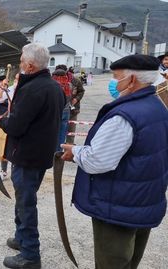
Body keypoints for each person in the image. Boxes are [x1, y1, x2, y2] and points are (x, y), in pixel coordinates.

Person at [61, 54, 168, 269]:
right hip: (143, 199)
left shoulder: (124, 115)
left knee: (113, 262)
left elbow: (98, 160)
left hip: (118, 204)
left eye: (116, 76)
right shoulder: (158, 107)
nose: (113, 81)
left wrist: (76, 152)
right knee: (130, 260)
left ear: (132, 80)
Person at [0, 43, 65, 269]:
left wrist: (0, 121)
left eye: (22, 60)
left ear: (30, 66)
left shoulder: (32, 89)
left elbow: (17, 125)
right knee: (24, 199)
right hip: (39, 155)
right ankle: (22, 238)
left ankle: (30, 254)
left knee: (26, 204)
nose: (20, 63)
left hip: (27, 156)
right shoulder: (53, 87)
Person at [52, 67, 72, 151]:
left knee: (53, 132)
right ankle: (59, 151)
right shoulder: (69, 84)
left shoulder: (53, 84)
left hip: (56, 111)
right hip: (66, 111)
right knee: (62, 133)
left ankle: (52, 150)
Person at [65, 65, 85, 145]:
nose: (70, 75)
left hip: (73, 110)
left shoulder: (76, 80)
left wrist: (76, 99)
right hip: (62, 110)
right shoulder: (59, 80)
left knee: (71, 131)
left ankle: (69, 149)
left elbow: (81, 91)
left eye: (71, 73)